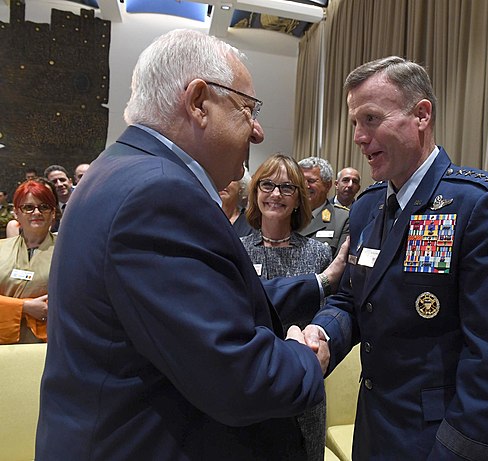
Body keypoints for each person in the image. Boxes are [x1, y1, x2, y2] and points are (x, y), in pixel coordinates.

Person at [36, 29, 330, 461]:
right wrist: (307, 358)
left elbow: (205, 302)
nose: (258, 131)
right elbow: (239, 380)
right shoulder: (159, 194)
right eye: (247, 110)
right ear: (197, 102)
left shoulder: (117, 170)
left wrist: (322, 283)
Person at [302, 56, 488, 460]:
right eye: (355, 122)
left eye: (371, 119)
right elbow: (353, 300)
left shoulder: (477, 205)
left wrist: (459, 452)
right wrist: (323, 334)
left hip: (439, 440)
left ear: (421, 115)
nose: (358, 136)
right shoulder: (366, 206)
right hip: (374, 428)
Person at [241, 153, 332, 461]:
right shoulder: (235, 250)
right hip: (249, 390)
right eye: (267, 184)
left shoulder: (320, 254)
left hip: (301, 395)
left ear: (298, 199)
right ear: (255, 192)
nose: (276, 194)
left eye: (287, 187)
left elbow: (326, 320)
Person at [0, 179, 57, 344]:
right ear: (16, 213)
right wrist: (24, 307)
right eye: (28, 207)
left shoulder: (68, 252)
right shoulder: (1, 248)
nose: (37, 212)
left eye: (44, 207)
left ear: (53, 213)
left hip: (50, 344)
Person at [298, 156, 350, 257]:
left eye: (311, 181)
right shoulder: (286, 214)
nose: (305, 186)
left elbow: (339, 263)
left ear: (327, 185)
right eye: (300, 181)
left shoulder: (342, 219)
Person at [220, 167, 253, 237]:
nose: (224, 183)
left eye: (229, 178)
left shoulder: (250, 224)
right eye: (220, 179)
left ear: (241, 187)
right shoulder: (205, 218)